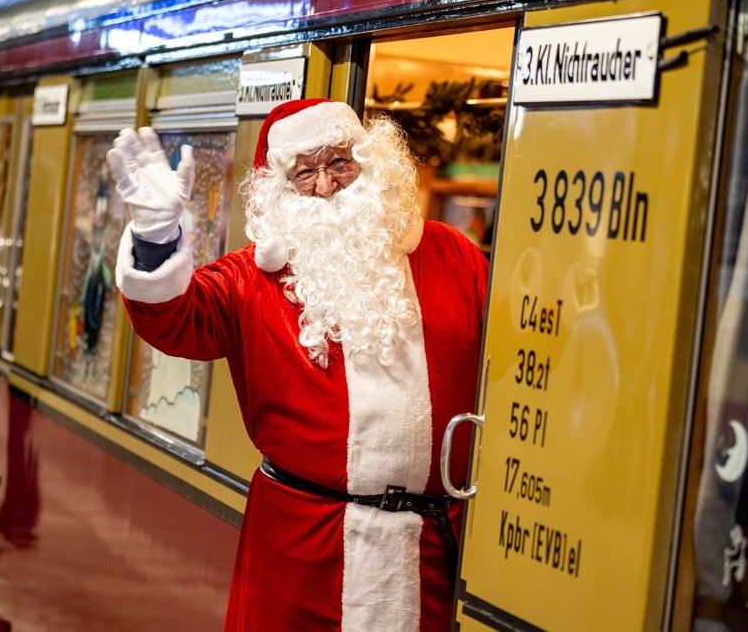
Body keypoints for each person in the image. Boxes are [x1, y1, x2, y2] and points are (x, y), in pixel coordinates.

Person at [106, 98, 489, 631]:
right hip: (302, 547)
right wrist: (154, 238)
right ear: (280, 189)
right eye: (305, 172)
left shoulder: (454, 256)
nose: (327, 185)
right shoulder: (249, 279)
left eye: (339, 163)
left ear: (373, 163)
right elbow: (174, 320)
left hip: (429, 550)